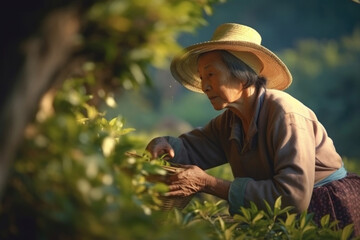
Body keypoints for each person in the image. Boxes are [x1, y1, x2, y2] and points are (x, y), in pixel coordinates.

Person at [145, 23, 360, 235]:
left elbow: (292, 197)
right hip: (281, 216)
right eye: (202, 78)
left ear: (241, 73)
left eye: (210, 75)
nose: (204, 86)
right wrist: (164, 144)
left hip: (326, 209)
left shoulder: (285, 114)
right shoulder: (230, 121)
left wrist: (208, 184)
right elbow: (192, 148)